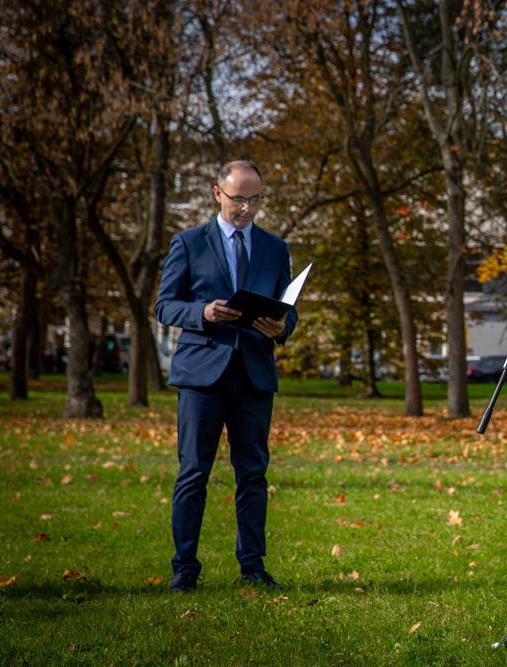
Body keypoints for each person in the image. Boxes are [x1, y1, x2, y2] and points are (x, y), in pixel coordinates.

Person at [154, 160, 298, 593]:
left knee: (252, 474)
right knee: (193, 473)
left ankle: (252, 568)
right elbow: (164, 306)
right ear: (218, 193)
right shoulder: (189, 242)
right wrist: (202, 312)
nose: (247, 209)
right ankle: (184, 569)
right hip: (202, 374)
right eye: (239, 199)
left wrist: (282, 327)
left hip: (254, 374)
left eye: (255, 199)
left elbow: (287, 311)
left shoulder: (275, 249)